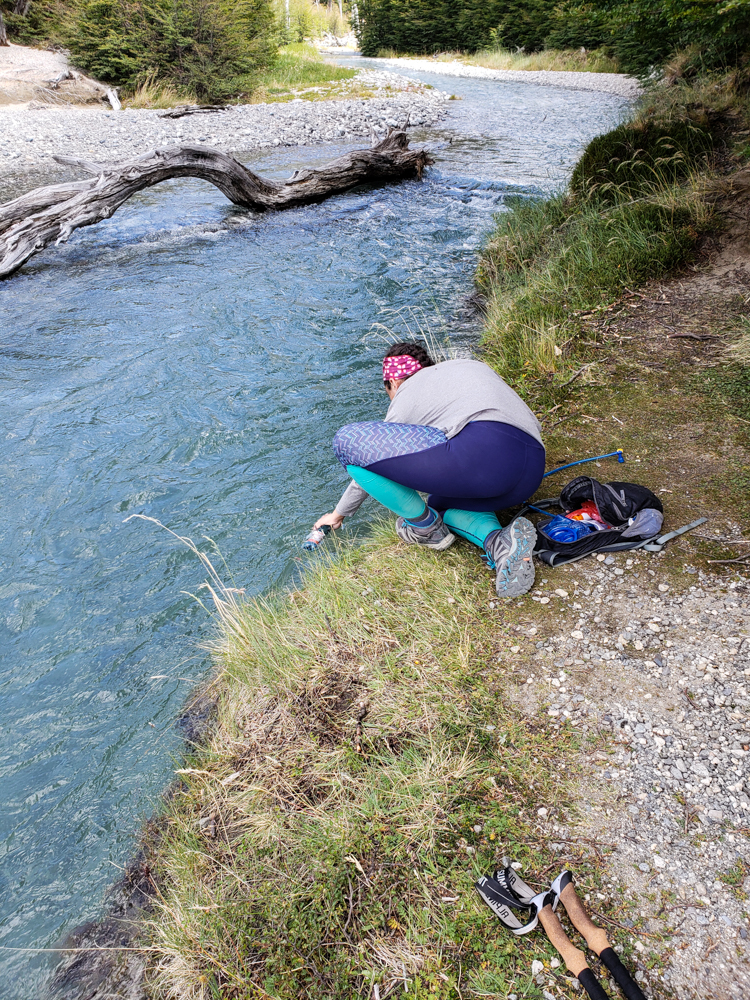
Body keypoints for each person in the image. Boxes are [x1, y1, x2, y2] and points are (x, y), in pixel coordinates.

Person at [314, 342, 546, 598]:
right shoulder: (469, 367)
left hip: (482, 460)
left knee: (347, 442)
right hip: (528, 471)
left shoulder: (407, 393)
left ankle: (424, 528)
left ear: (392, 382)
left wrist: (338, 514)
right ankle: (500, 544)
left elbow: (369, 460)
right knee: (440, 505)